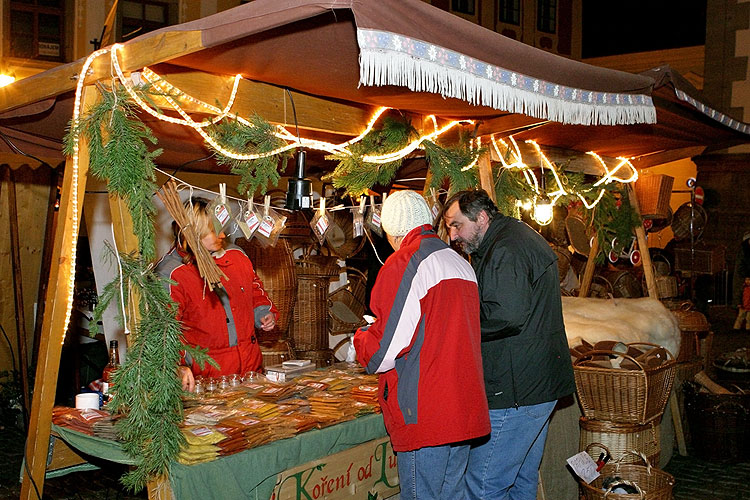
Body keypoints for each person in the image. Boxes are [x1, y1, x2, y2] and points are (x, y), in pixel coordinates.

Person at [353, 190, 490, 500]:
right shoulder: (459, 262)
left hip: (426, 411)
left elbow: (383, 352)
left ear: (390, 229)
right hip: (462, 407)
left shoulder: (405, 262)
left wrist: (361, 338)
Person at [442, 189, 575, 500]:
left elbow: (506, 314)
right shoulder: (513, 236)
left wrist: (457, 321)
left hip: (516, 389)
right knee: (520, 481)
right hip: (536, 384)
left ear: (482, 218)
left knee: (484, 485)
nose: (452, 235)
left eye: (457, 225)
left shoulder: (506, 249)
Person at [156, 197, 277, 392]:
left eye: (221, 227)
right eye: (213, 230)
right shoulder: (172, 273)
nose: (222, 235)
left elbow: (255, 291)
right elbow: (163, 331)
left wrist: (262, 312)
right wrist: (178, 365)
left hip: (250, 374)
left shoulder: (236, 256)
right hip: (206, 383)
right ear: (193, 232)